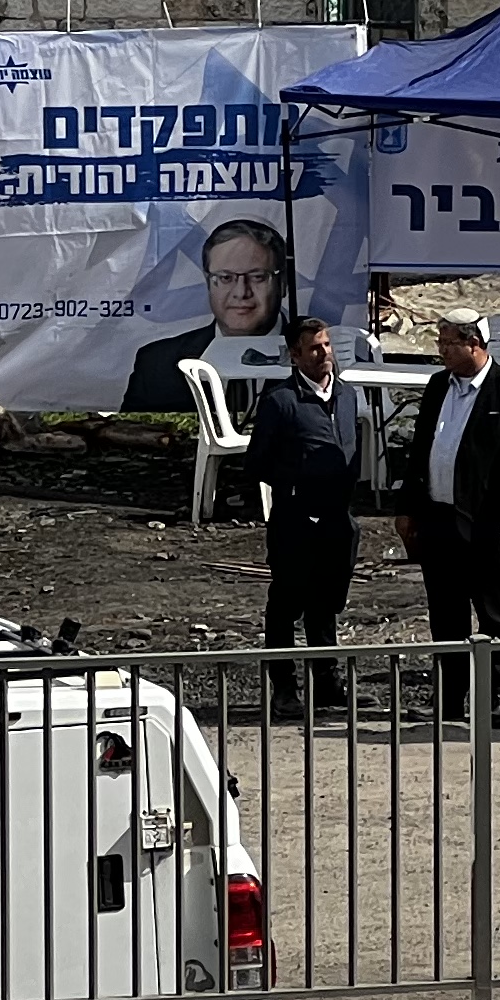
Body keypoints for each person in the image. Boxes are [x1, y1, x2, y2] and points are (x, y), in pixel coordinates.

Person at [401, 312, 500, 731]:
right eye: (440, 342)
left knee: (493, 613)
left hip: (485, 523)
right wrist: (408, 508)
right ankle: (448, 698)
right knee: (445, 614)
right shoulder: (438, 386)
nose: (442, 350)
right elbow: (421, 447)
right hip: (438, 517)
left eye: (449, 343)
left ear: (474, 343)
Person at [244, 313, 366, 720]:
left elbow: (352, 446)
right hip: (296, 517)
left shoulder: (347, 395)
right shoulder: (281, 401)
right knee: (286, 601)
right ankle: (283, 687)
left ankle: (326, 682)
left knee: (326, 601)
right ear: (295, 355)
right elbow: (257, 463)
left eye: (327, 345)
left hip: (337, 515)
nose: (324, 354)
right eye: (314, 348)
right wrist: (300, 478)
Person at [121, 219, 290, 412]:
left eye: (257, 277)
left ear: (283, 283)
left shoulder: (320, 356)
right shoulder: (156, 364)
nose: (241, 292)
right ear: (208, 282)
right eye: (225, 278)